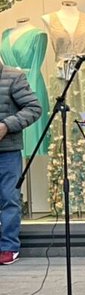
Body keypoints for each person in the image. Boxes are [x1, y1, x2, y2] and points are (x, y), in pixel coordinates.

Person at [0, 55, 44, 265]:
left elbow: (34, 108)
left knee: (9, 198)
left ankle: (8, 246)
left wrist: (6, 125)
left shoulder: (14, 76)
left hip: (7, 151)